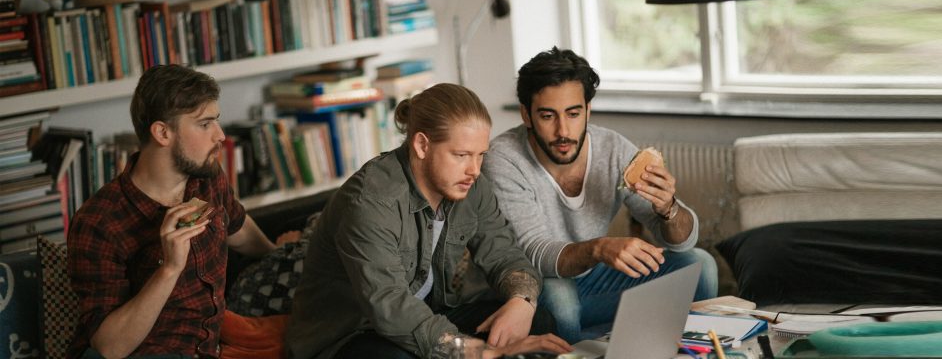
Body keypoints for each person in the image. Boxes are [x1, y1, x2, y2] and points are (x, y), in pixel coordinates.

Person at [285, 83, 572, 359]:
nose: (474, 170)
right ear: (422, 145)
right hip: (351, 335)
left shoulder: (472, 186)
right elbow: (390, 308)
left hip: (427, 318)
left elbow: (507, 255)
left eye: (480, 155)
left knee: (537, 321)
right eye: (461, 155)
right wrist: (481, 352)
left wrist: (522, 301)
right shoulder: (370, 202)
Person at [482, 47, 719, 343]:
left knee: (700, 265)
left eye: (573, 113)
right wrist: (598, 249)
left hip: (595, 282)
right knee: (562, 302)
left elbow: (683, 241)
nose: (563, 131)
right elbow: (534, 252)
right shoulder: (503, 159)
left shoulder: (614, 150)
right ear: (526, 115)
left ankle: (669, 348)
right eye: (547, 116)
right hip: (533, 286)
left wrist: (668, 208)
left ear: (588, 110)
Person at [67, 65, 297, 359]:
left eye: (217, 121)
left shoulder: (207, 179)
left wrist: (276, 254)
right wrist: (169, 268)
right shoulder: (99, 221)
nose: (220, 135)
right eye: (205, 124)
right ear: (162, 132)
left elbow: (236, 226)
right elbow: (110, 347)